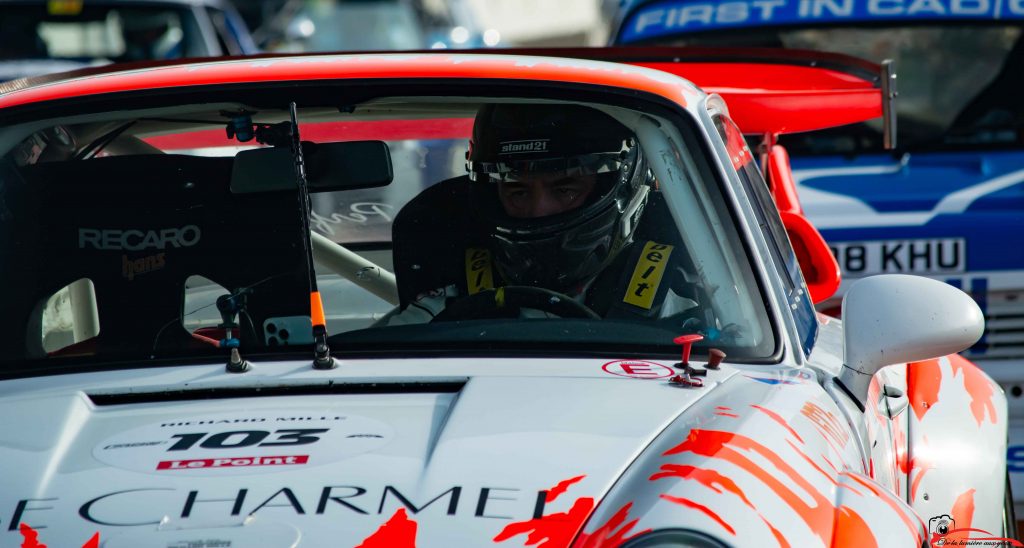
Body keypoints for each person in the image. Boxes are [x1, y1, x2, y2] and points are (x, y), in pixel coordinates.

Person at [385, 103, 711, 329]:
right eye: (518, 192)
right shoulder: (451, 305)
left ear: (619, 186)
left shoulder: (693, 303)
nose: (539, 211)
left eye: (565, 190)